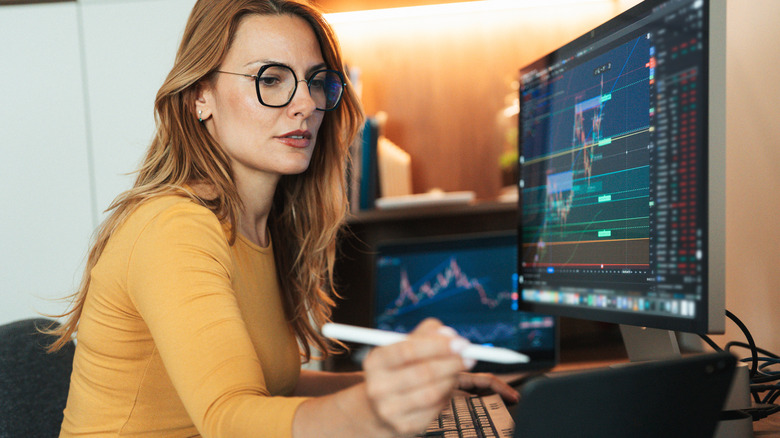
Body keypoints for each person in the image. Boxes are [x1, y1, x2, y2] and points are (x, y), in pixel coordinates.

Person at [47, 0, 519, 436]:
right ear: (199, 97)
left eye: (316, 81)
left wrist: (421, 391)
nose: (307, 104)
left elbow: (275, 392)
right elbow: (229, 419)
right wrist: (372, 410)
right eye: (270, 79)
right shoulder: (174, 227)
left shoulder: (263, 227)